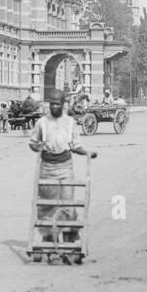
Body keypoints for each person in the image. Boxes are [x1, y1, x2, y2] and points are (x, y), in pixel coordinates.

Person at [28, 87, 97, 248]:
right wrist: (39, 147)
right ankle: (48, 237)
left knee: (67, 202)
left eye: (58, 104)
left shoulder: (70, 123)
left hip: (65, 166)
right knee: (47, 204)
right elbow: (32, 143)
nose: (55, 107)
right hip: (47, 167)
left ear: (63, 104)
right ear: (49, 105)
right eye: (52, 104)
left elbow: (76, 145)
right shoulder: (42, 123)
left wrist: (87, 153)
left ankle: (69, 236)